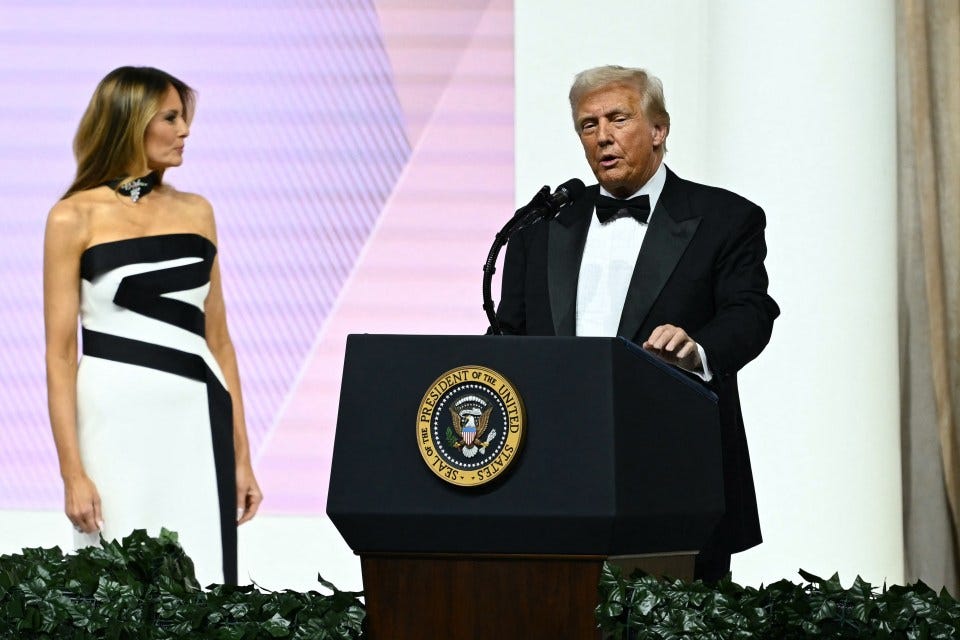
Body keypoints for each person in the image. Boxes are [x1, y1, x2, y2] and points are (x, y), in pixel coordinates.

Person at [496, 65, 779, 581]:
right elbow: (508, 339)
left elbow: (751, 311)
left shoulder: (725, 218)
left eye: (618, 119)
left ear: (658, 130)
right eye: (588, 125)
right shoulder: (539, 227)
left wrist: (698, 350)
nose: (602, 136)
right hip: (556, 472)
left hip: (678, 472)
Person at [43, 66, 262, 586]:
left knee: (204, 586)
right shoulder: (72, 217)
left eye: (184, 116)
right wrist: (71, 472)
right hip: (112, 423)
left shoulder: (198, 211)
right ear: (130, 122)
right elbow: (58, 355)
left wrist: (243, 457)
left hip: (197, 419)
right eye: (171, 117)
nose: (185, 129)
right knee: (117, 592)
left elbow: (221, 342)